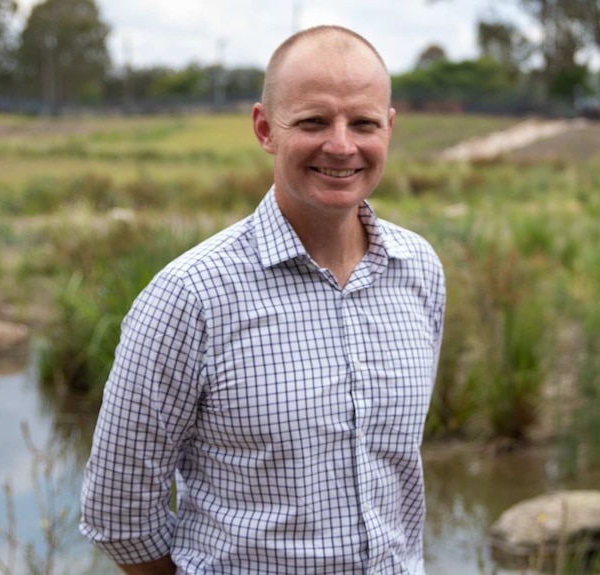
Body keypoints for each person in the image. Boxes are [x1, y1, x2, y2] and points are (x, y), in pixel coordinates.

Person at [79, 24, 445, 575]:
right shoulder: (189, 297)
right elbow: (118, 511)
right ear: (265, 128)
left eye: (364, 123)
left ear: (388, 129)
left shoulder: (419, 271)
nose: (342, 145)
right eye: (314, 121)